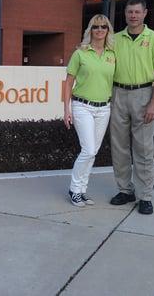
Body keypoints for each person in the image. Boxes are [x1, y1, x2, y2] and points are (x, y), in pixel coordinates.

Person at [109, 0, 154, 215]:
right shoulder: (114, 40)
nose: (133, 16)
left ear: (145, 13)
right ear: (125, 14)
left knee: (143, 148)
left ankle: (145, 196)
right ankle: (125, 190)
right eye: (129, 12)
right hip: (118, 94)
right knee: (119, 146)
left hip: (144, 95)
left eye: (136, 12)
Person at [63, 14, 116, 207]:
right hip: (82, 106)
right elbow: (68, 83)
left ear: (108, 30)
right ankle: (74, 189)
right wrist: (66, 110)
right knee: (88, 149)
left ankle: (82, 190)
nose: (99, 30)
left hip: (104, 108)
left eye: (103, 27)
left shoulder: (112, 55)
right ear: (90, 30)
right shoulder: (81, 53)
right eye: (96, 27)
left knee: (93, 151)